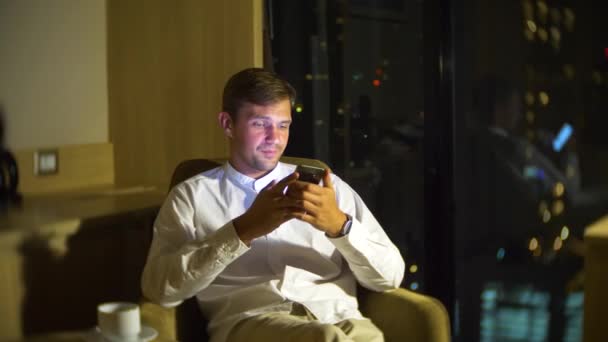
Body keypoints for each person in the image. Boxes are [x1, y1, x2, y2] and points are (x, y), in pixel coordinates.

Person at [141, 68, 405, 342]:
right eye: (259, 124)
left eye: (283, 125)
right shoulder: (192, 197)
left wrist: (341, 226)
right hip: (254, 324)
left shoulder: (330, 189)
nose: (275, 138)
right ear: (227, 124)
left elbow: (390, 278)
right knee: (323, 338)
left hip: (341, 320)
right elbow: (159, 289)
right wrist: (242, 230)